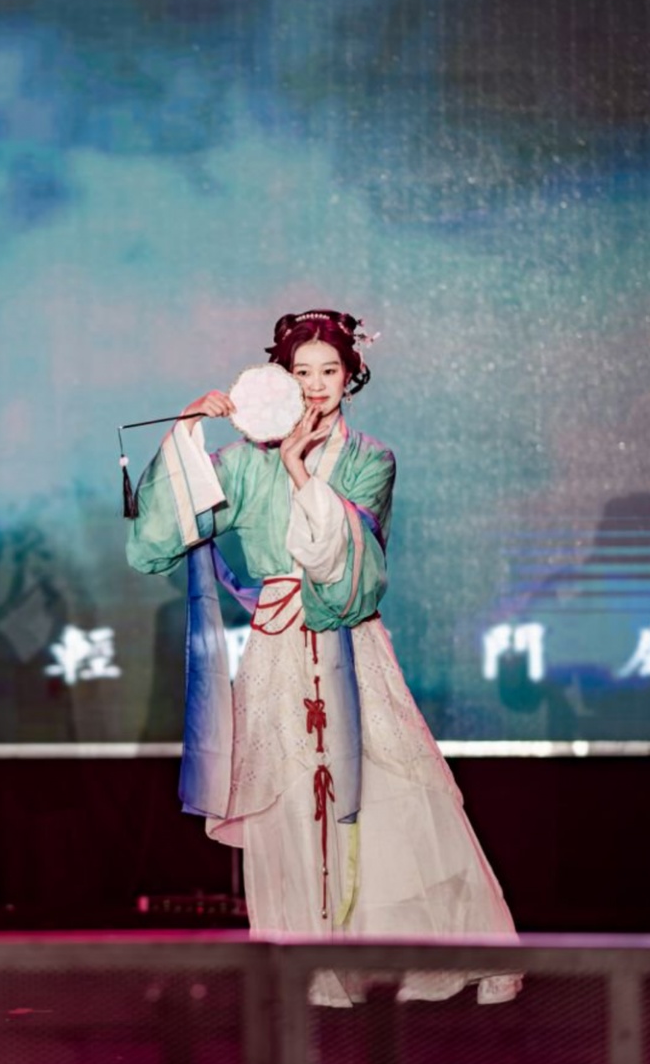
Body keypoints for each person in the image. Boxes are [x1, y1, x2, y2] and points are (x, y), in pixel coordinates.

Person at [126, 309, 520, 1007]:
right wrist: (187, 431)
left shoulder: (370, 458)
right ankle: (311, 967)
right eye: (301, 371)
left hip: (350, 642)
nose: (315, 386)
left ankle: (429, 956)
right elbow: (160, 538)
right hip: (278, 649)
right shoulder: (243, 459)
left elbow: (345, 568)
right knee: (288, 800)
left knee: (393, 792)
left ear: (350, 376)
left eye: (329, 371)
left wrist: (297, 468)